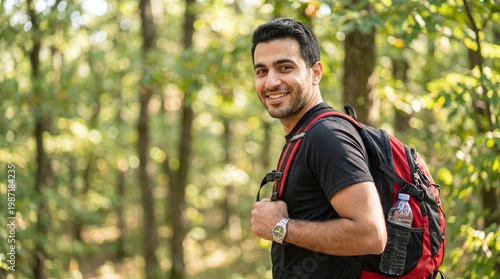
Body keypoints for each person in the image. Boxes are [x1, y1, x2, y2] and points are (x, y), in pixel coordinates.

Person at [250, 18, 387, 278]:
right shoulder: (304, 134)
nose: (270, 82)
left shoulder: (326, 136)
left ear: (315, 73)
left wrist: (281, 227)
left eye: (284, 67)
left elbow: (371, 234)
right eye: (261, 71)